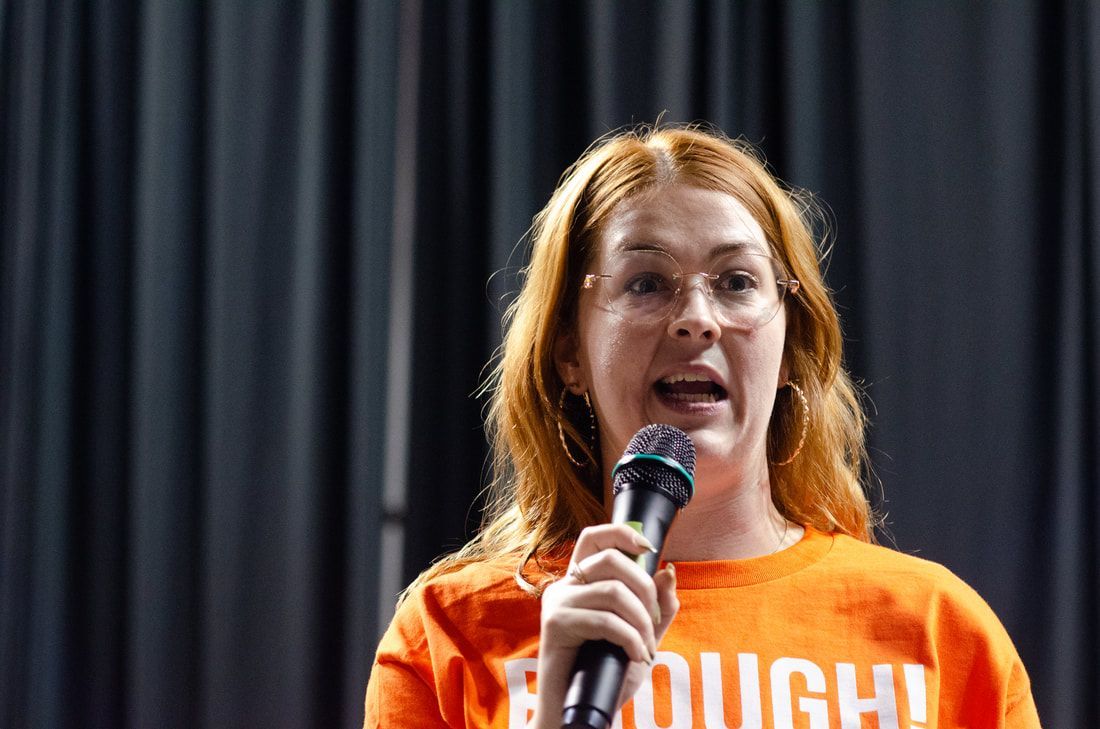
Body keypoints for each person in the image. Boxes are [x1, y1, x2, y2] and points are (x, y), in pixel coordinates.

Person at [363, 124, 1040, 728]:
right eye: (646, 282)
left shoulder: (938, 630)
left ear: (789, 347)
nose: (697, 318)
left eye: (737, 281)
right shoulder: (449, 632)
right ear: (570, 351)